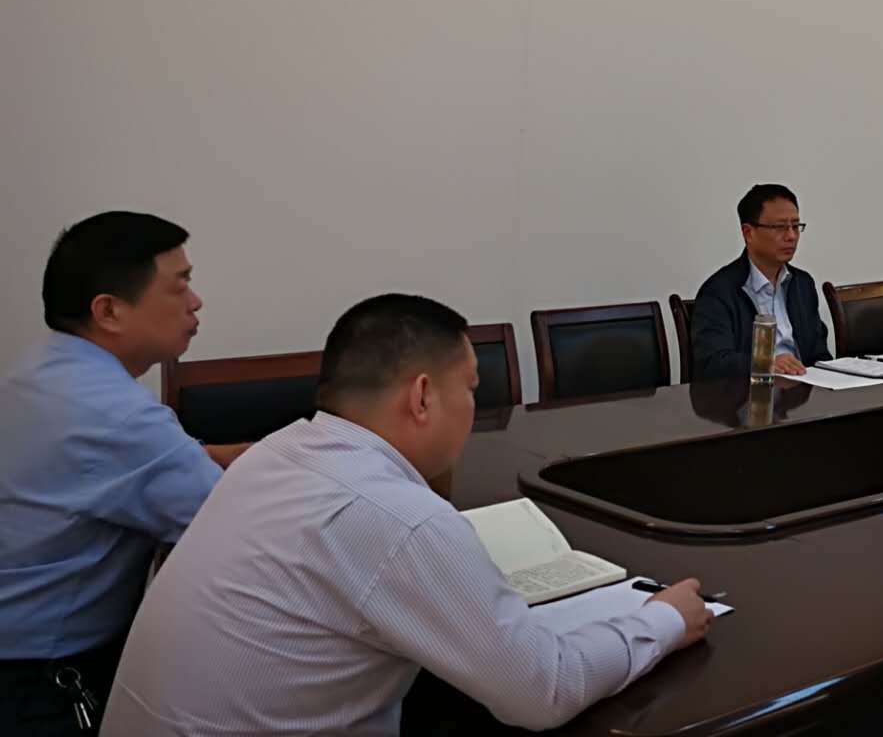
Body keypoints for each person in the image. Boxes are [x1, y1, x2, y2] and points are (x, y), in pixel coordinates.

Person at [102, 293, 710, 736]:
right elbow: (541, 692)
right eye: (470, 388)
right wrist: (663, 621)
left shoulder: (276, 454)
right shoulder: (398, 519)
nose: (473, 407)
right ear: (421, 396)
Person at [0, 212, 235, 736]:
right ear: (108, 310)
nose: (195, 302)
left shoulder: (40, 373)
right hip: (41, 683)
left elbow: (144, 464)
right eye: (180, 286)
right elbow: (238, 531)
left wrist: (234, 454)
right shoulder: (118, 417)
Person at [690, 183, 831, 381]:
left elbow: (818, 354)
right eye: (780, 227)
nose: (791, 236)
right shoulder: (719, 291)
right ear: (748, 233)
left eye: (796, 226)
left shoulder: (802, 284)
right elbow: (713, 362)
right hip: (748, 394)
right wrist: (765, 364)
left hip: (801, 392)